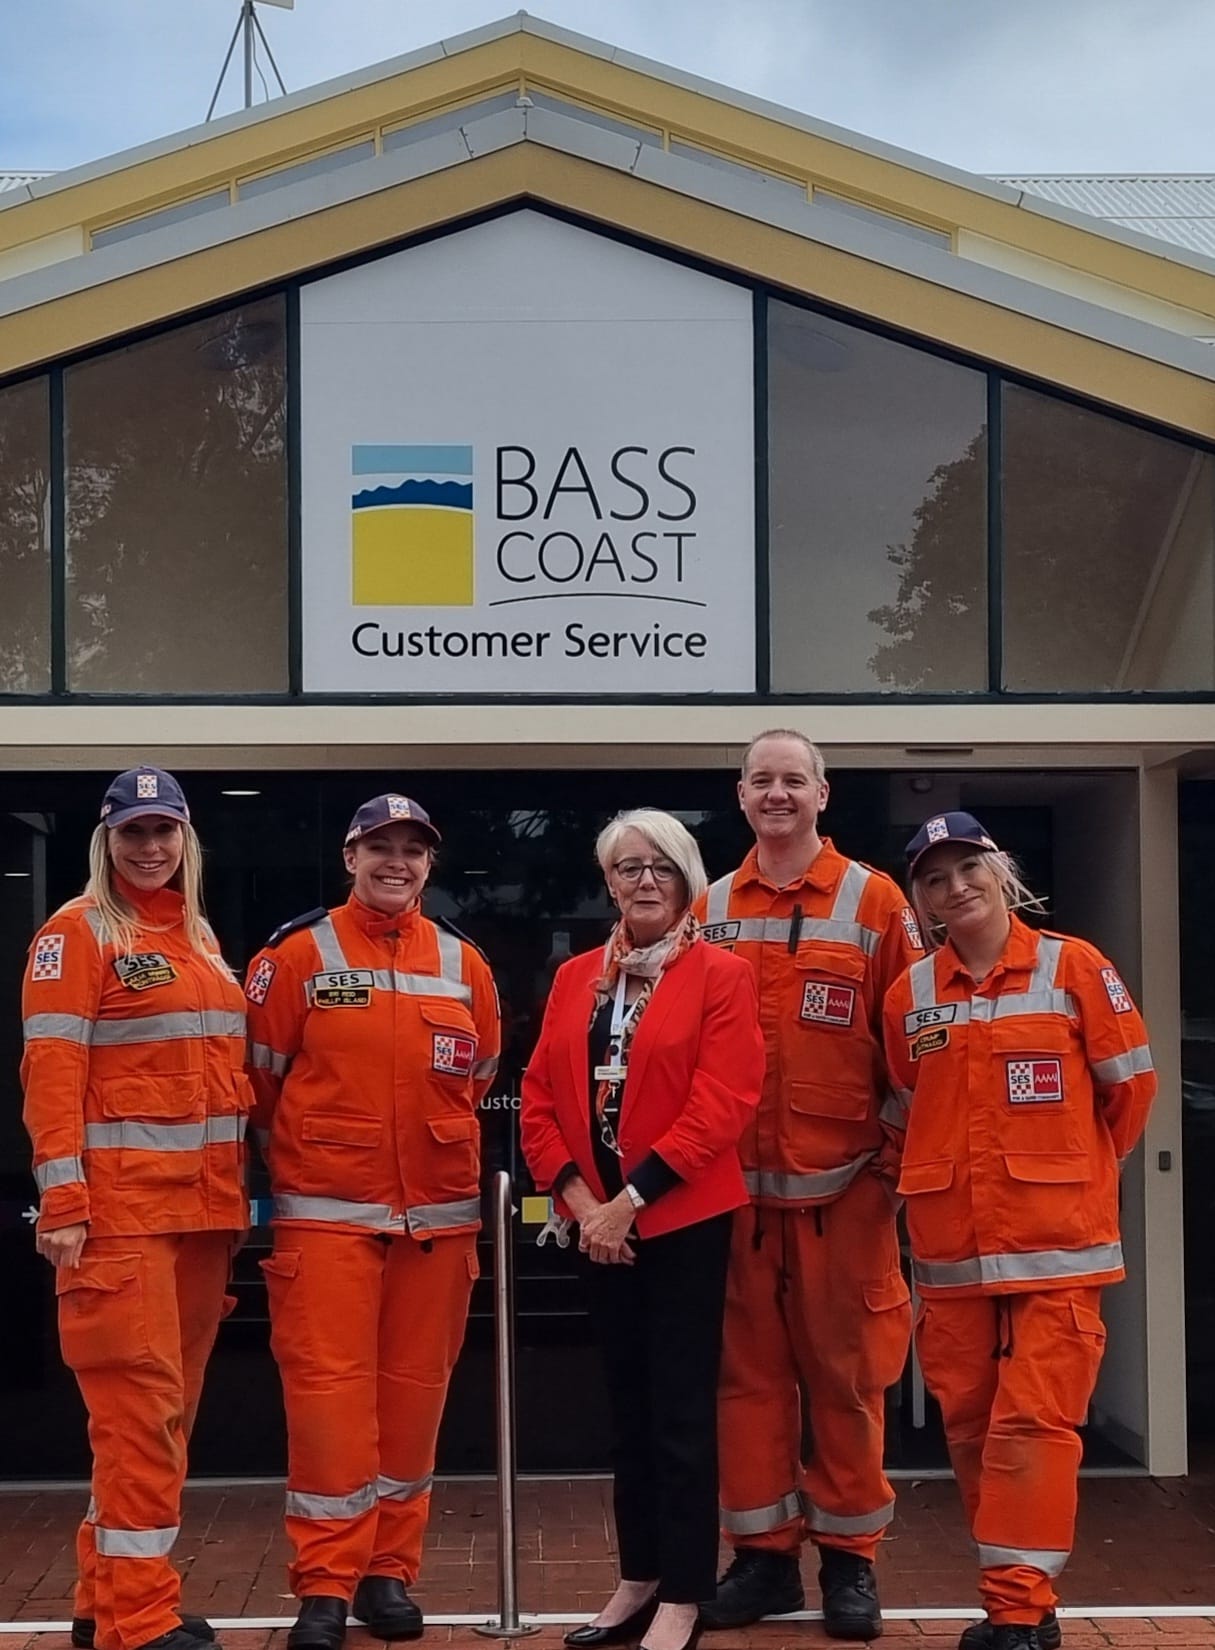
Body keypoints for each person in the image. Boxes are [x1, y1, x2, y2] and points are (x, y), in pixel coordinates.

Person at [881, 812, 1156, 1650]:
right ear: (920, 900)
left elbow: (1128, 1092)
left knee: (1032, 1425)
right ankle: (1020, 1601)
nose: (954, 886)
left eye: (968, 867)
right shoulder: (908, 995)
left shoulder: (1074, 966)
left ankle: (1016, 1609)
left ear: (1000, 872)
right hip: (950, 1252)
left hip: (1057, 1249)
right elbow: (904, 1108)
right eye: (933, 877)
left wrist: (1067, 1174)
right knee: (969, 1425)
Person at [244, 793, 501, 1650]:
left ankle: (389, 1574)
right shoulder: (295, 953)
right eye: (380, 847)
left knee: (413, 1405)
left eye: (413, 850)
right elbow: (263, 1083)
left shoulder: (466, 962)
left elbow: (476, 1074)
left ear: (430, 863)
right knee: (327, 1407)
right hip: (326, 1225)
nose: (397, 862)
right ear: (350, 856)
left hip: (436, 1227)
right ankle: (324, 1584)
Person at [696, 730, 921, 1641]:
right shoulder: (706, 907)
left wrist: (889, 1173)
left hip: (846, 1199)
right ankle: (761, 1562)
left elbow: (918, 1038)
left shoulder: (877, 900)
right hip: (737, 1203)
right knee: (744, 1388)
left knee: (848, 1384)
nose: (777, 793)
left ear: (822, 795)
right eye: (762, 780)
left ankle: (849, 1564)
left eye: (794, 779)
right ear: (740, 796)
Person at [521, 809, 764, 1650]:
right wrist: (584, 1204)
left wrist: (632, 1199)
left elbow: (722, 1102)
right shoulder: (576, 976)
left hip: (682, 1221)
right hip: (596, 1226)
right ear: (608, 882)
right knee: (625, 1410)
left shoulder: (721, 975)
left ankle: (687, 1591)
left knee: (680, 1414)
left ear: (688, 877)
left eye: (661, 865)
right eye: (627, 868)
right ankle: (640, 1575)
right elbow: (540, 1099)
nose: (644, 880)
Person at [21, 766, 249, 1650]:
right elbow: (51, 1072)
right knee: (139, 1419)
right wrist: (65, 1203)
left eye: (165, 831)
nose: (150, 847)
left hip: (200, 1222)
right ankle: (137, 1621)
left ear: (187, 839)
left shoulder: (197, 938)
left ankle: (103, 1600)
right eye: (133, 832)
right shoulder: (75, 934)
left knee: (161, 1421)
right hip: (118, 1224)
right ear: (104, 842)